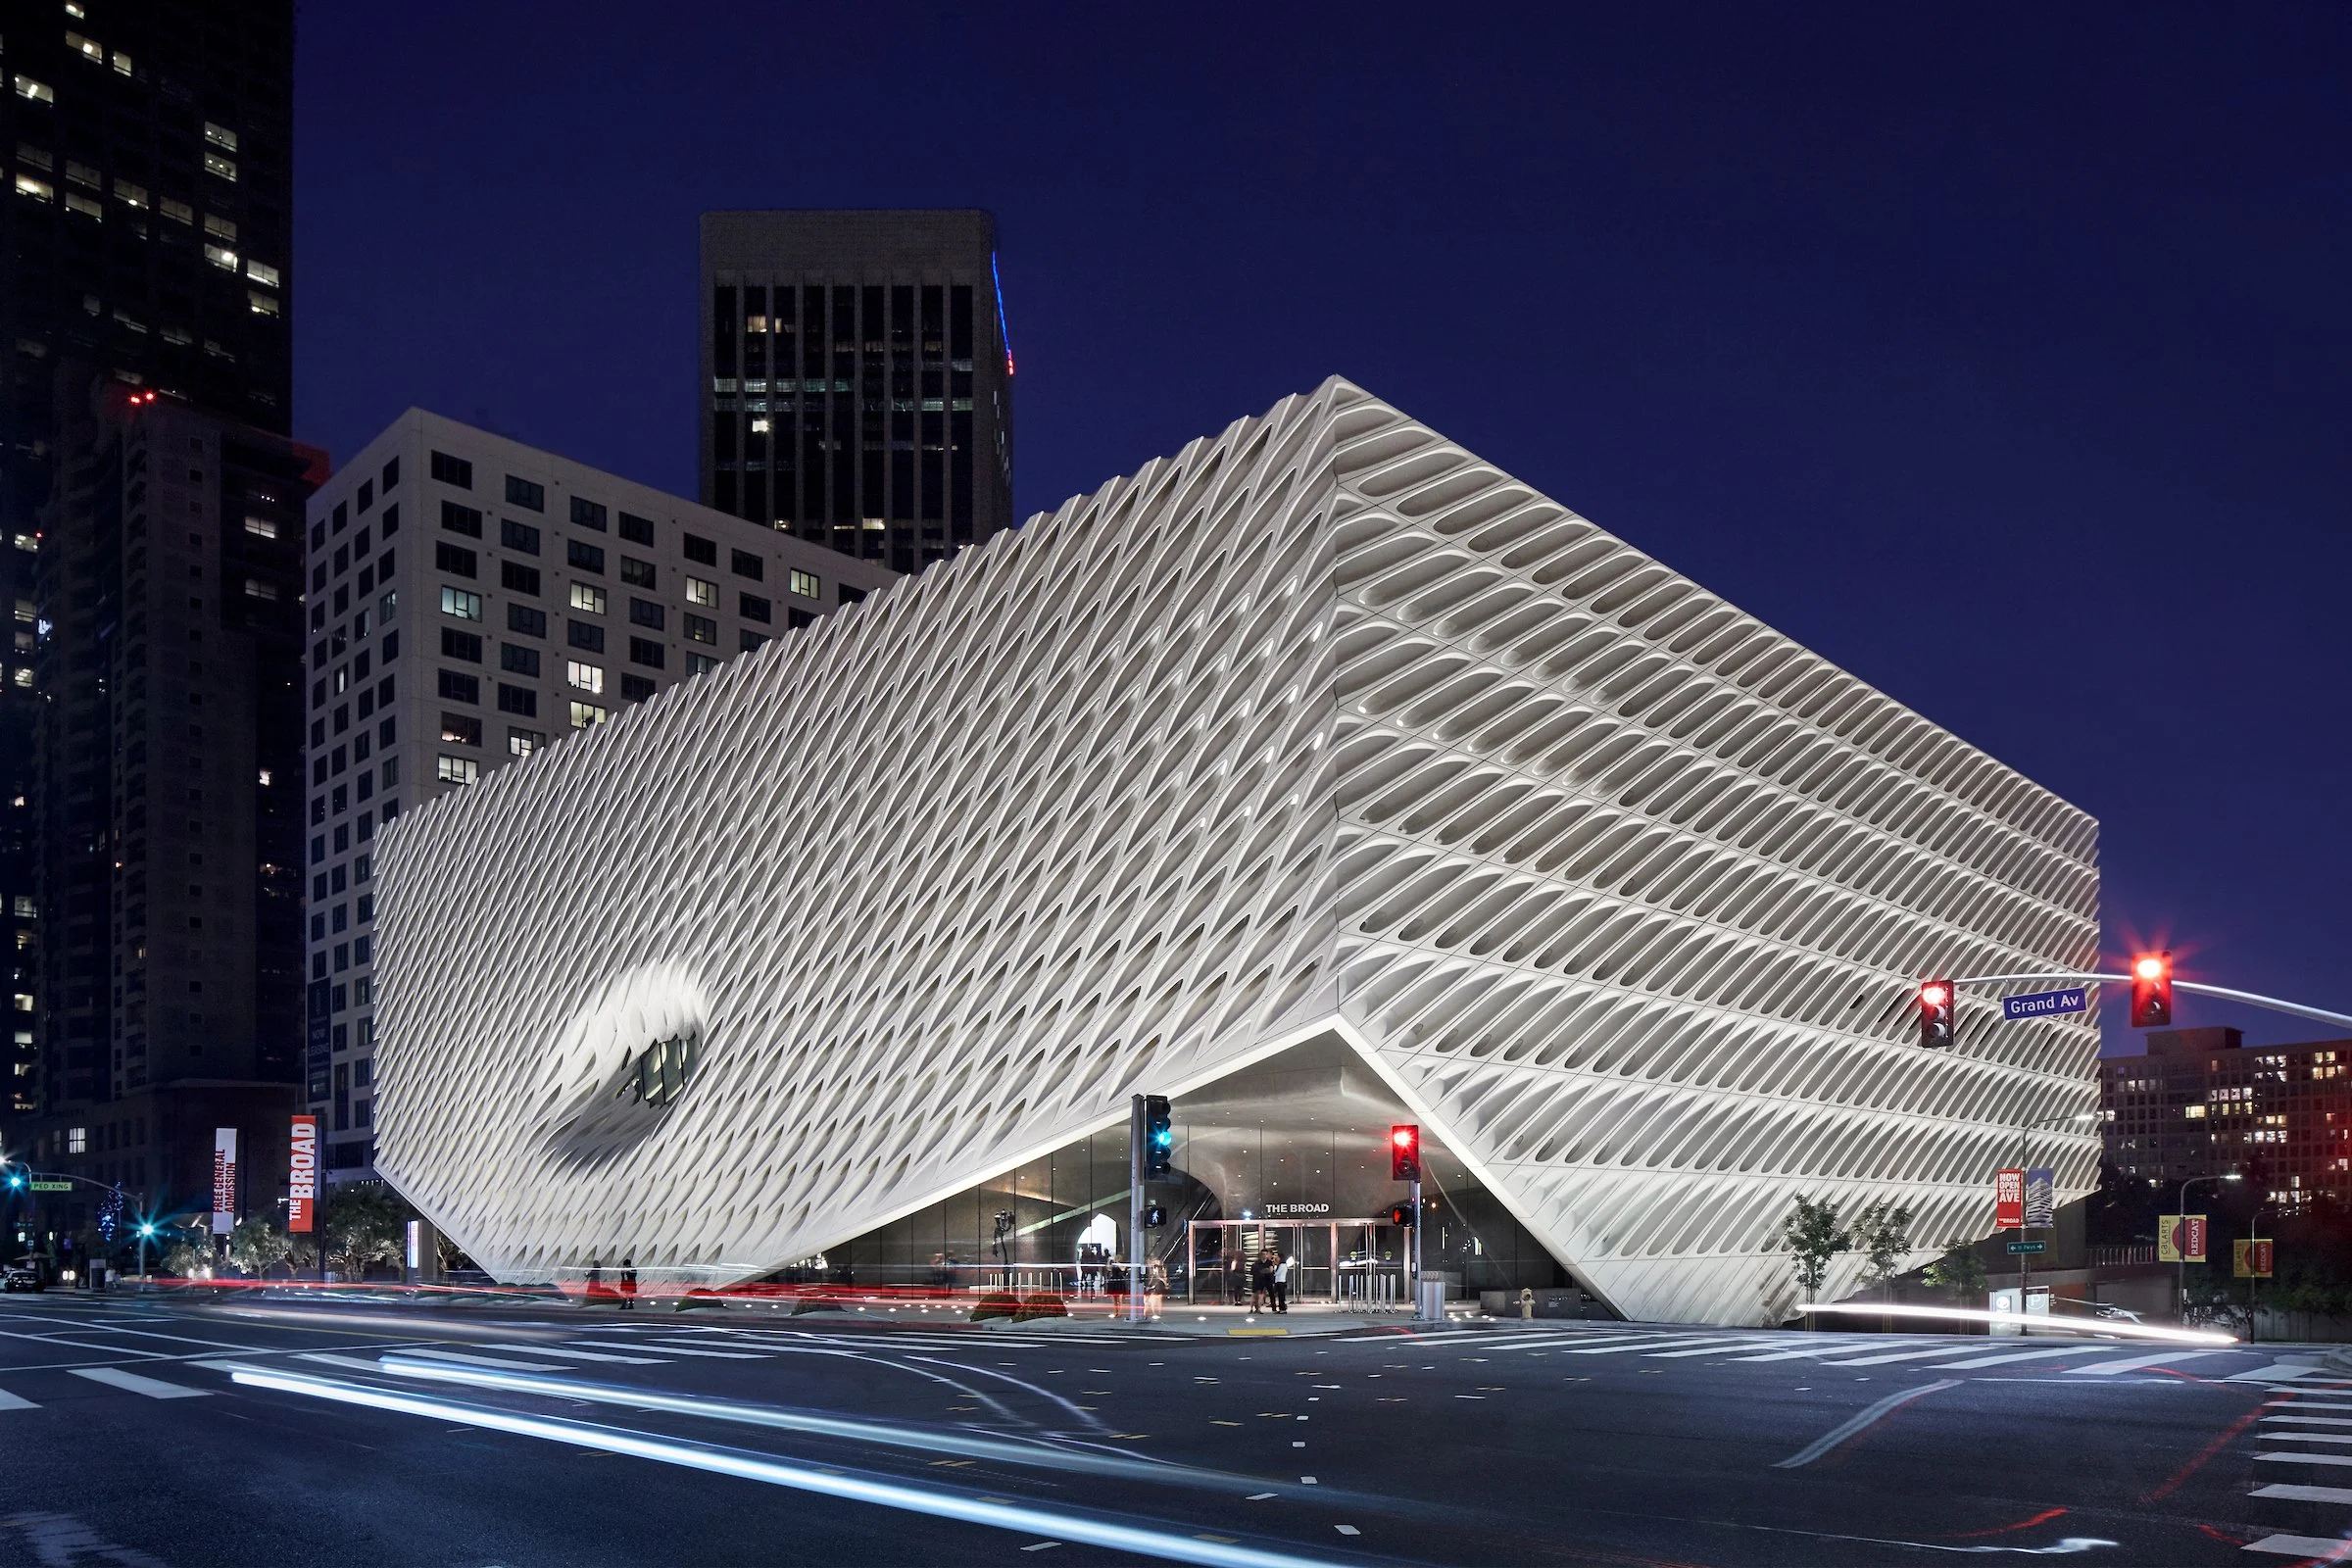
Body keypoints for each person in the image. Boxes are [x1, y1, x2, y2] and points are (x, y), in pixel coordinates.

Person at [1145, 1254, 1168, 1318]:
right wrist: (1165, 1283)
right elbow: (1164, 1276)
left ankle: (1154, 1312)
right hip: (1158, 1284)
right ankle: (1157, 1312)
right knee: (1158, 1299)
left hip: (1156, 1284)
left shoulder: (1155, 1268)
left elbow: (1154, 1276)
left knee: (1153, 1299)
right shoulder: (1162, 1268)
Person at [1272, 1250, 1294, 1314]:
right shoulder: (1280, 1265)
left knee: (1281, 1296)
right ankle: (1281, 1308)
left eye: (1277, 1257)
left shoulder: (1282, 1265)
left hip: (1281, 1282)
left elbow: (1277, 1273)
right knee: (1280, 1296)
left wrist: (1274, 1269)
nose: (1276, 1258)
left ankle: (1283, 1308)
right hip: (1278, 1281)